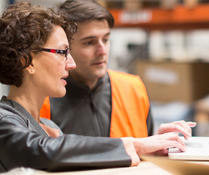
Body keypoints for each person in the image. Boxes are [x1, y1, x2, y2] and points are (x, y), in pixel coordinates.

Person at [0, 2, 186, 172]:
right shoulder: (4, 120)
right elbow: (41, 151)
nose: (70, 63)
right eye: (62, 52)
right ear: (28, 61)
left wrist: (149, 148)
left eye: (106, 39)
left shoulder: (48, 127)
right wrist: (134, 145)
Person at [40, 0, 195, 139]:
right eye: (89, 43)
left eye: (106, 40)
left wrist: (157, 143)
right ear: (66, 48)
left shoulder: (132, 89)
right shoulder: (43, 100)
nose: (102, 50)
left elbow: (143, 155)